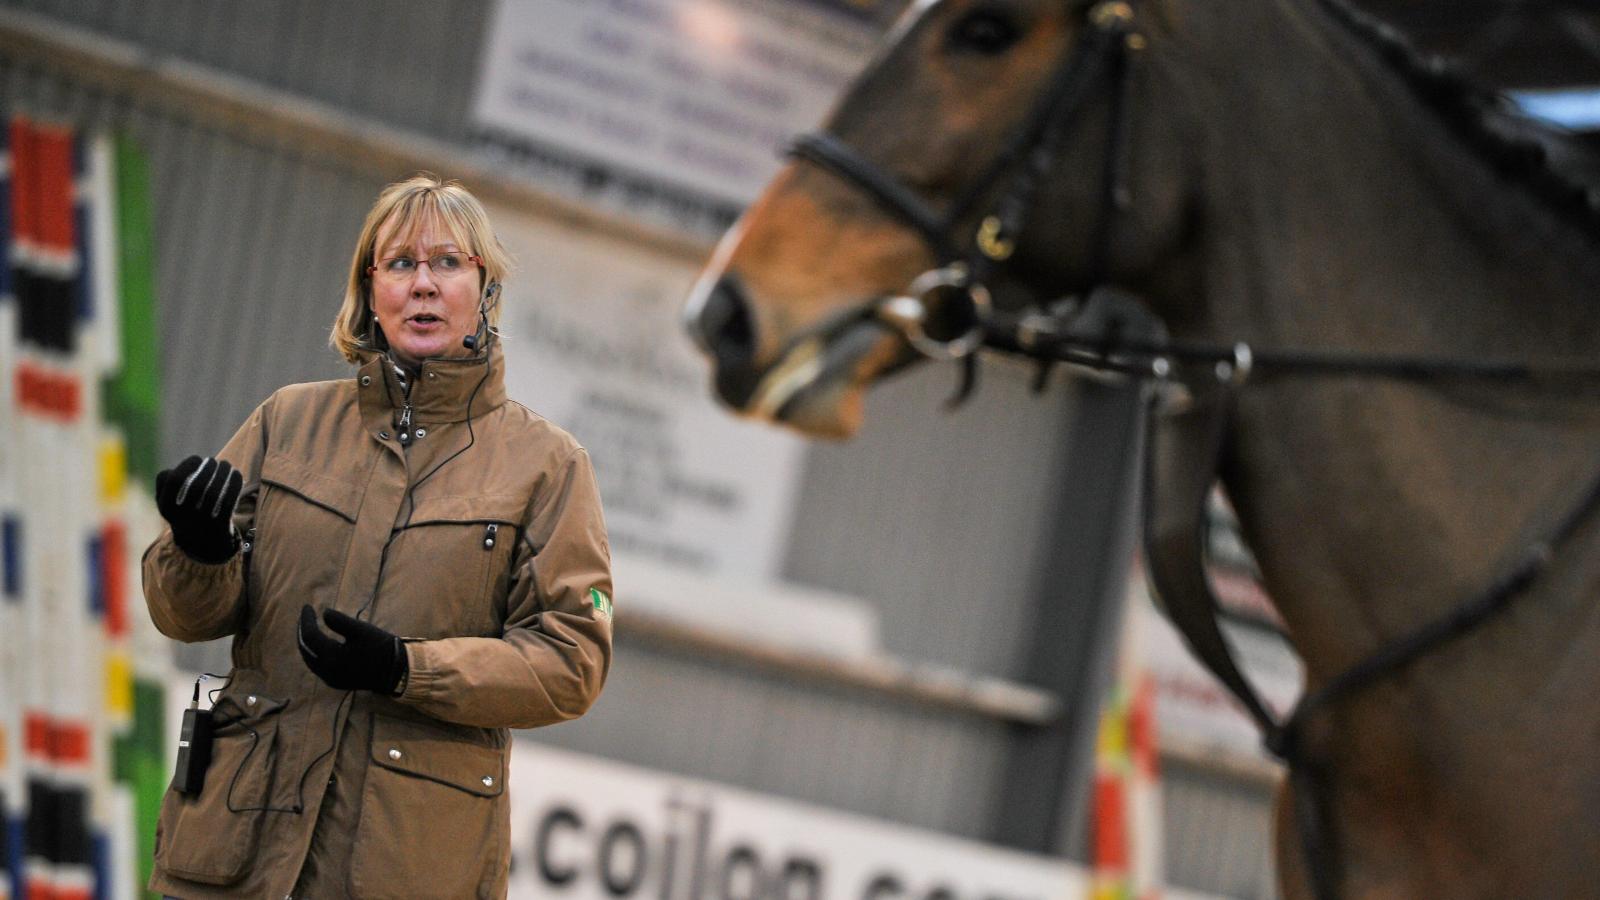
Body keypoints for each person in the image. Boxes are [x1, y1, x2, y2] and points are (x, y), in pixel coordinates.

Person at [142, 173, 613, 899]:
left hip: (401, 863)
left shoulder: (547, 467)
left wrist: (408, 669)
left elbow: (572, 661)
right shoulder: (285, 422)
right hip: (235, 849)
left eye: (448, 263)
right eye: (400, 263)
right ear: (370, 288)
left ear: (484, 288)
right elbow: (182, 615)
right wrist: (199, 556)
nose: (423, 284)